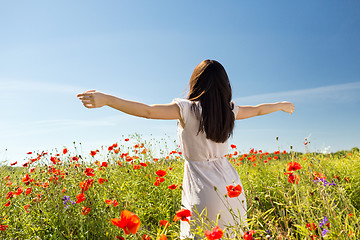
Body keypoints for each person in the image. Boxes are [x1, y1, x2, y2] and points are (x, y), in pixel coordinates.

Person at [77, 59, 294, 238]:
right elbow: (257, 110)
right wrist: (281, 105)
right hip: (232, 188)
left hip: (204, 189)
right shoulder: (229, 111)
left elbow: (148, 112)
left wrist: (107, 99)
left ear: (196, 82)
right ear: (225, 85)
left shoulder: (188, 109)